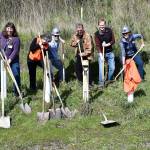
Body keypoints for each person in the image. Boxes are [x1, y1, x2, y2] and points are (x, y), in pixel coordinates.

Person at [0, 22, 21, 96]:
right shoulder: (2, 35)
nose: (9, 30)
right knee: (1, 75)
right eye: (8, 28)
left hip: (13, 60)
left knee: (16, 75)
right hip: (3, 60)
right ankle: (2, 92)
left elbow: (15, 51)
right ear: (6, 28)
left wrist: (10, 60)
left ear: (13, 29)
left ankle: (17, 93)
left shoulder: (16, 39)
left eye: (11, 28)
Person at [94, 18, 115, 87]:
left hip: (110, 52)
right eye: (100, 25)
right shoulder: (96, 34)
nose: (102, 26)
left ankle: (109, 80)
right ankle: (101, 83)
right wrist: (101, 56)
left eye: (103, 25)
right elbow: (97, 46)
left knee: (112, 68)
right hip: (101, 53)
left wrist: (107, 44)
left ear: (105, 25)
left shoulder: (109, 31)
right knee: (101, 68)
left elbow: (113, 40)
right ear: (98, 26)